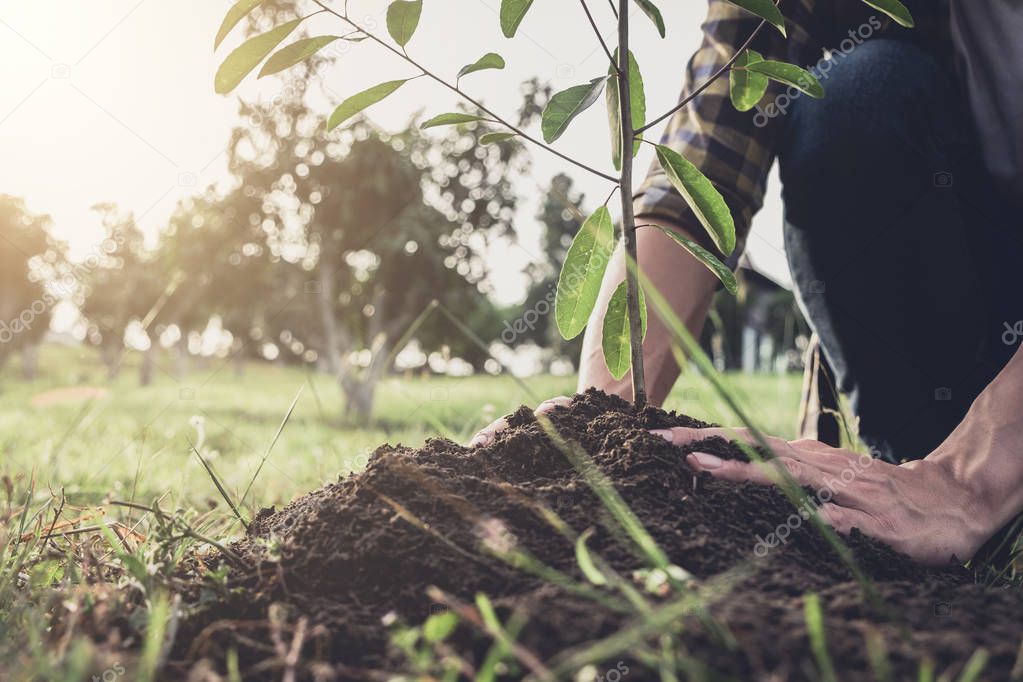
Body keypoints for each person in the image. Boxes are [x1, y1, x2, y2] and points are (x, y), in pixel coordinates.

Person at [471, 0, 1023, 566]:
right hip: (961, 317)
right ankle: (915, 469)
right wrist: (606, 427)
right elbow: (702, 172)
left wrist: (969, 479)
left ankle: (974, 490)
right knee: (857, 95)